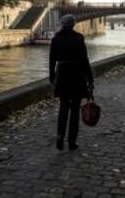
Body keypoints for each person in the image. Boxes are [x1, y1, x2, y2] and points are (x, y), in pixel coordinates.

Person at [49, 14, 94, 151]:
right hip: (77, 75)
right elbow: (85, 61)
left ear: (62, 24)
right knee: (75, 110)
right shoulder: (79, 38)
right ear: (73, 24)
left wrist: (52, 77)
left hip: (62, 75)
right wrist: (90, 79)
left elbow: (52, 61)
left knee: (63, 108)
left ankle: (59, 137)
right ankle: (72, 141)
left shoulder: (56, 39)